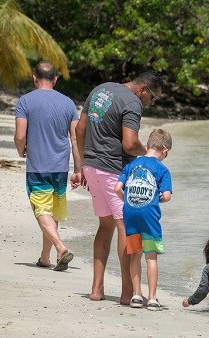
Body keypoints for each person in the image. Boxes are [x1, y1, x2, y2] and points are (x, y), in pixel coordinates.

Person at [76, 71, 164, 305]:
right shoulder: (133, 102)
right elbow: (129, 143)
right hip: (113, 171)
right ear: (144, 89)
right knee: (126, 227)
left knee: (105, 226)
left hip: (92, 168)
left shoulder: (101, 89)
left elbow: (79, 129)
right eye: (153, 98)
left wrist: (83, 164)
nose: (151, 103)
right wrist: (149, 155)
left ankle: (96, 289)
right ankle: (128, 292)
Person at [14, 61, 80, 272]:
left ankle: (60, 248)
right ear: (55, 79)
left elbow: (20, 135)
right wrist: (79, 169)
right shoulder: (69, 103)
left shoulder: (25, 101)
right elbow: (76, 139)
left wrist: (21, 150)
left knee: (41, 210)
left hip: (38, 166)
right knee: (52, 212)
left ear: (35, 78)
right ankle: (45, 257)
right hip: (61, 167)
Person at [114, 129, 173, 311]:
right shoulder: (162, 169)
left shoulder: (131, 165)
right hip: (149, 217)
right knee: (151, 257)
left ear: (147, 146)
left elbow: (117, 188)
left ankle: (137, 295)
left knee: (135, 254)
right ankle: (153, 298)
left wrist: (129, 201)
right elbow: (167, 196)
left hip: (130, 214)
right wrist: (156, 199)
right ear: (165, 150)